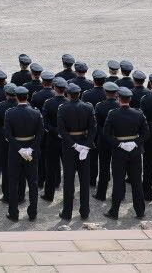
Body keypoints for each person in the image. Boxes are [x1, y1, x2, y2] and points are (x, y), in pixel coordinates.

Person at [103, 87, 149, 220]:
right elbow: (146, 133)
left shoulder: (113, 114)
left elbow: (107, 134)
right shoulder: (138, 114)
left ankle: (114, 211)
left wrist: (120, 144)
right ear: (130, 99)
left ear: (118, 98)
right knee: (136, 182)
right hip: (134, 152)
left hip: (119, 152)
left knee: (118, 182)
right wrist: (135, 143)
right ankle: (140, 211)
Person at [2, 86, 42, 221]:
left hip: (15, 151)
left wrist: (19, 149)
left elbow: (8, 134)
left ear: (17, 97)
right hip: (31, 150)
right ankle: (33, 212)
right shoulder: (36, 113)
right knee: (32, 183)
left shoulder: (10, 113)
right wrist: (30, 149)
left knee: (13, 182)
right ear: (27, 97)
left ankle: (13, 213)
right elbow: (40, 134)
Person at [56, 84, 96, 221]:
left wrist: (74, 144)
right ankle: (85, 211)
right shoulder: (88, 107)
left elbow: (61, 131)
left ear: (67, 94)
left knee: (69, 180)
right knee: (84, 181)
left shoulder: (63, 108)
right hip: (84, 145)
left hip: (69, 147)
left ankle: (67, 212)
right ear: (79, 94)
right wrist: (86, 145)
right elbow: (93, 129)